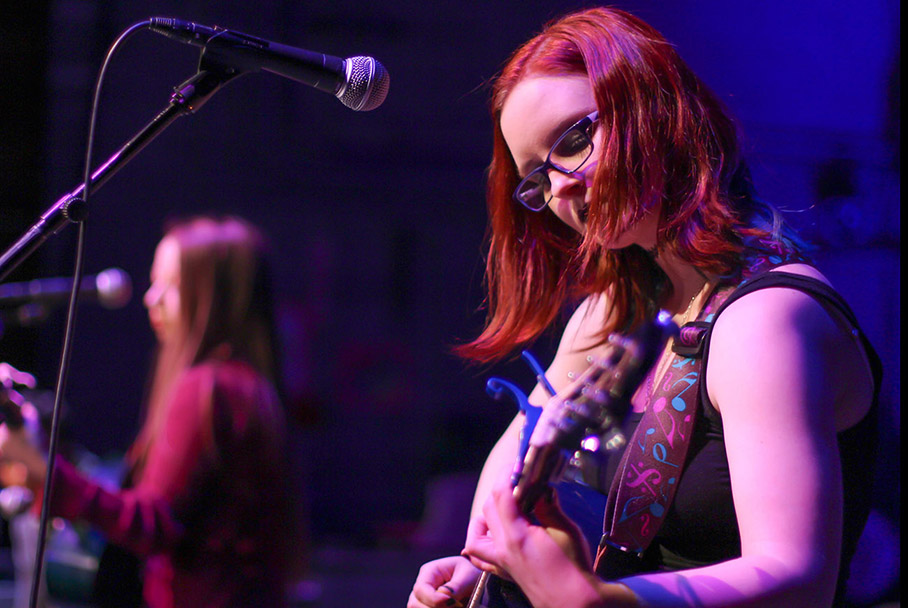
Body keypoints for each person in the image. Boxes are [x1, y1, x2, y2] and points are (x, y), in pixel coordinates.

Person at [408, 7, 879, 608]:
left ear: (654, 107)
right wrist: (478, 568)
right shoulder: (615, 313)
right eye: (537, 179)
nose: (560, 188)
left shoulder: (766, 319)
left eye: (575, 139)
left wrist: (606, 601)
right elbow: (516, 452)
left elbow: (797, 577)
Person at [0, 216, 300, 608]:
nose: (150, 298)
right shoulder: (249, 384)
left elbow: (152, 523)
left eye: (171, 286)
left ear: (213, 298)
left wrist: (42, 469)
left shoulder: (209, 387)